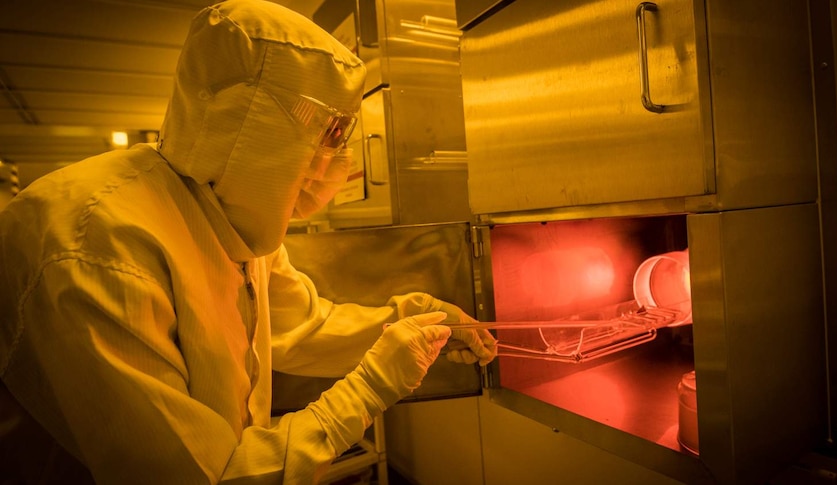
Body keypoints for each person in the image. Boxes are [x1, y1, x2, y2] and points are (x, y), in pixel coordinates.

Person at [0, 1, 497, 483]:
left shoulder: (229, 209)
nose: (331, 162)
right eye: (322, 135)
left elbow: (299, 326)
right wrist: (368, 388)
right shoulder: (97, 246)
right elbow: (199, 476)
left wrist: (410, 322)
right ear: (250, 129)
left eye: (339, 136)